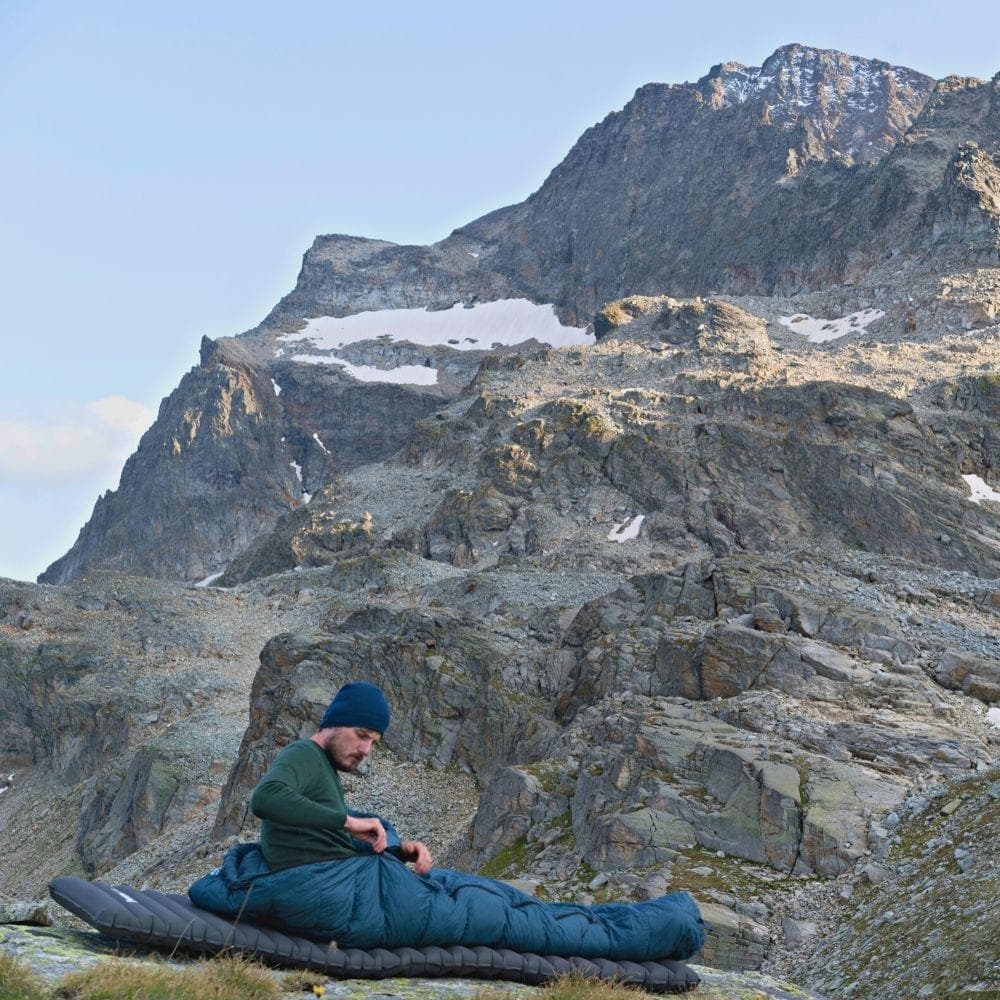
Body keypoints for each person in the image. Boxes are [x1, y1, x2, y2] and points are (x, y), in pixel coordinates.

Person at [249, 680, 433, 875]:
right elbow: (265, 797)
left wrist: (400, 852)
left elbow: (333, 840)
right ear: (335, 722)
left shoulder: (324, 766)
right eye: (362, 735)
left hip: (333, 876)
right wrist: (349, 822)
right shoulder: (303, 753)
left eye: (373, 742)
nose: (367, 750)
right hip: (320, 881)